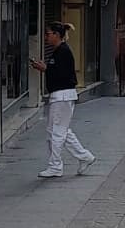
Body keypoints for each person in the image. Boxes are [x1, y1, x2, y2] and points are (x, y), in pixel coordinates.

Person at [31, 21, 96, 178]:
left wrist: (45, 68)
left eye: (48, 34)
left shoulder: (63, 51)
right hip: (60, 95)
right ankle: (84, 156)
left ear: (57, 35)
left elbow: (62, 74)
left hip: (63, 95)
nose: (46, 37)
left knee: (56, 132)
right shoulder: (58, 51)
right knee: (62, 131)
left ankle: (55, 165)